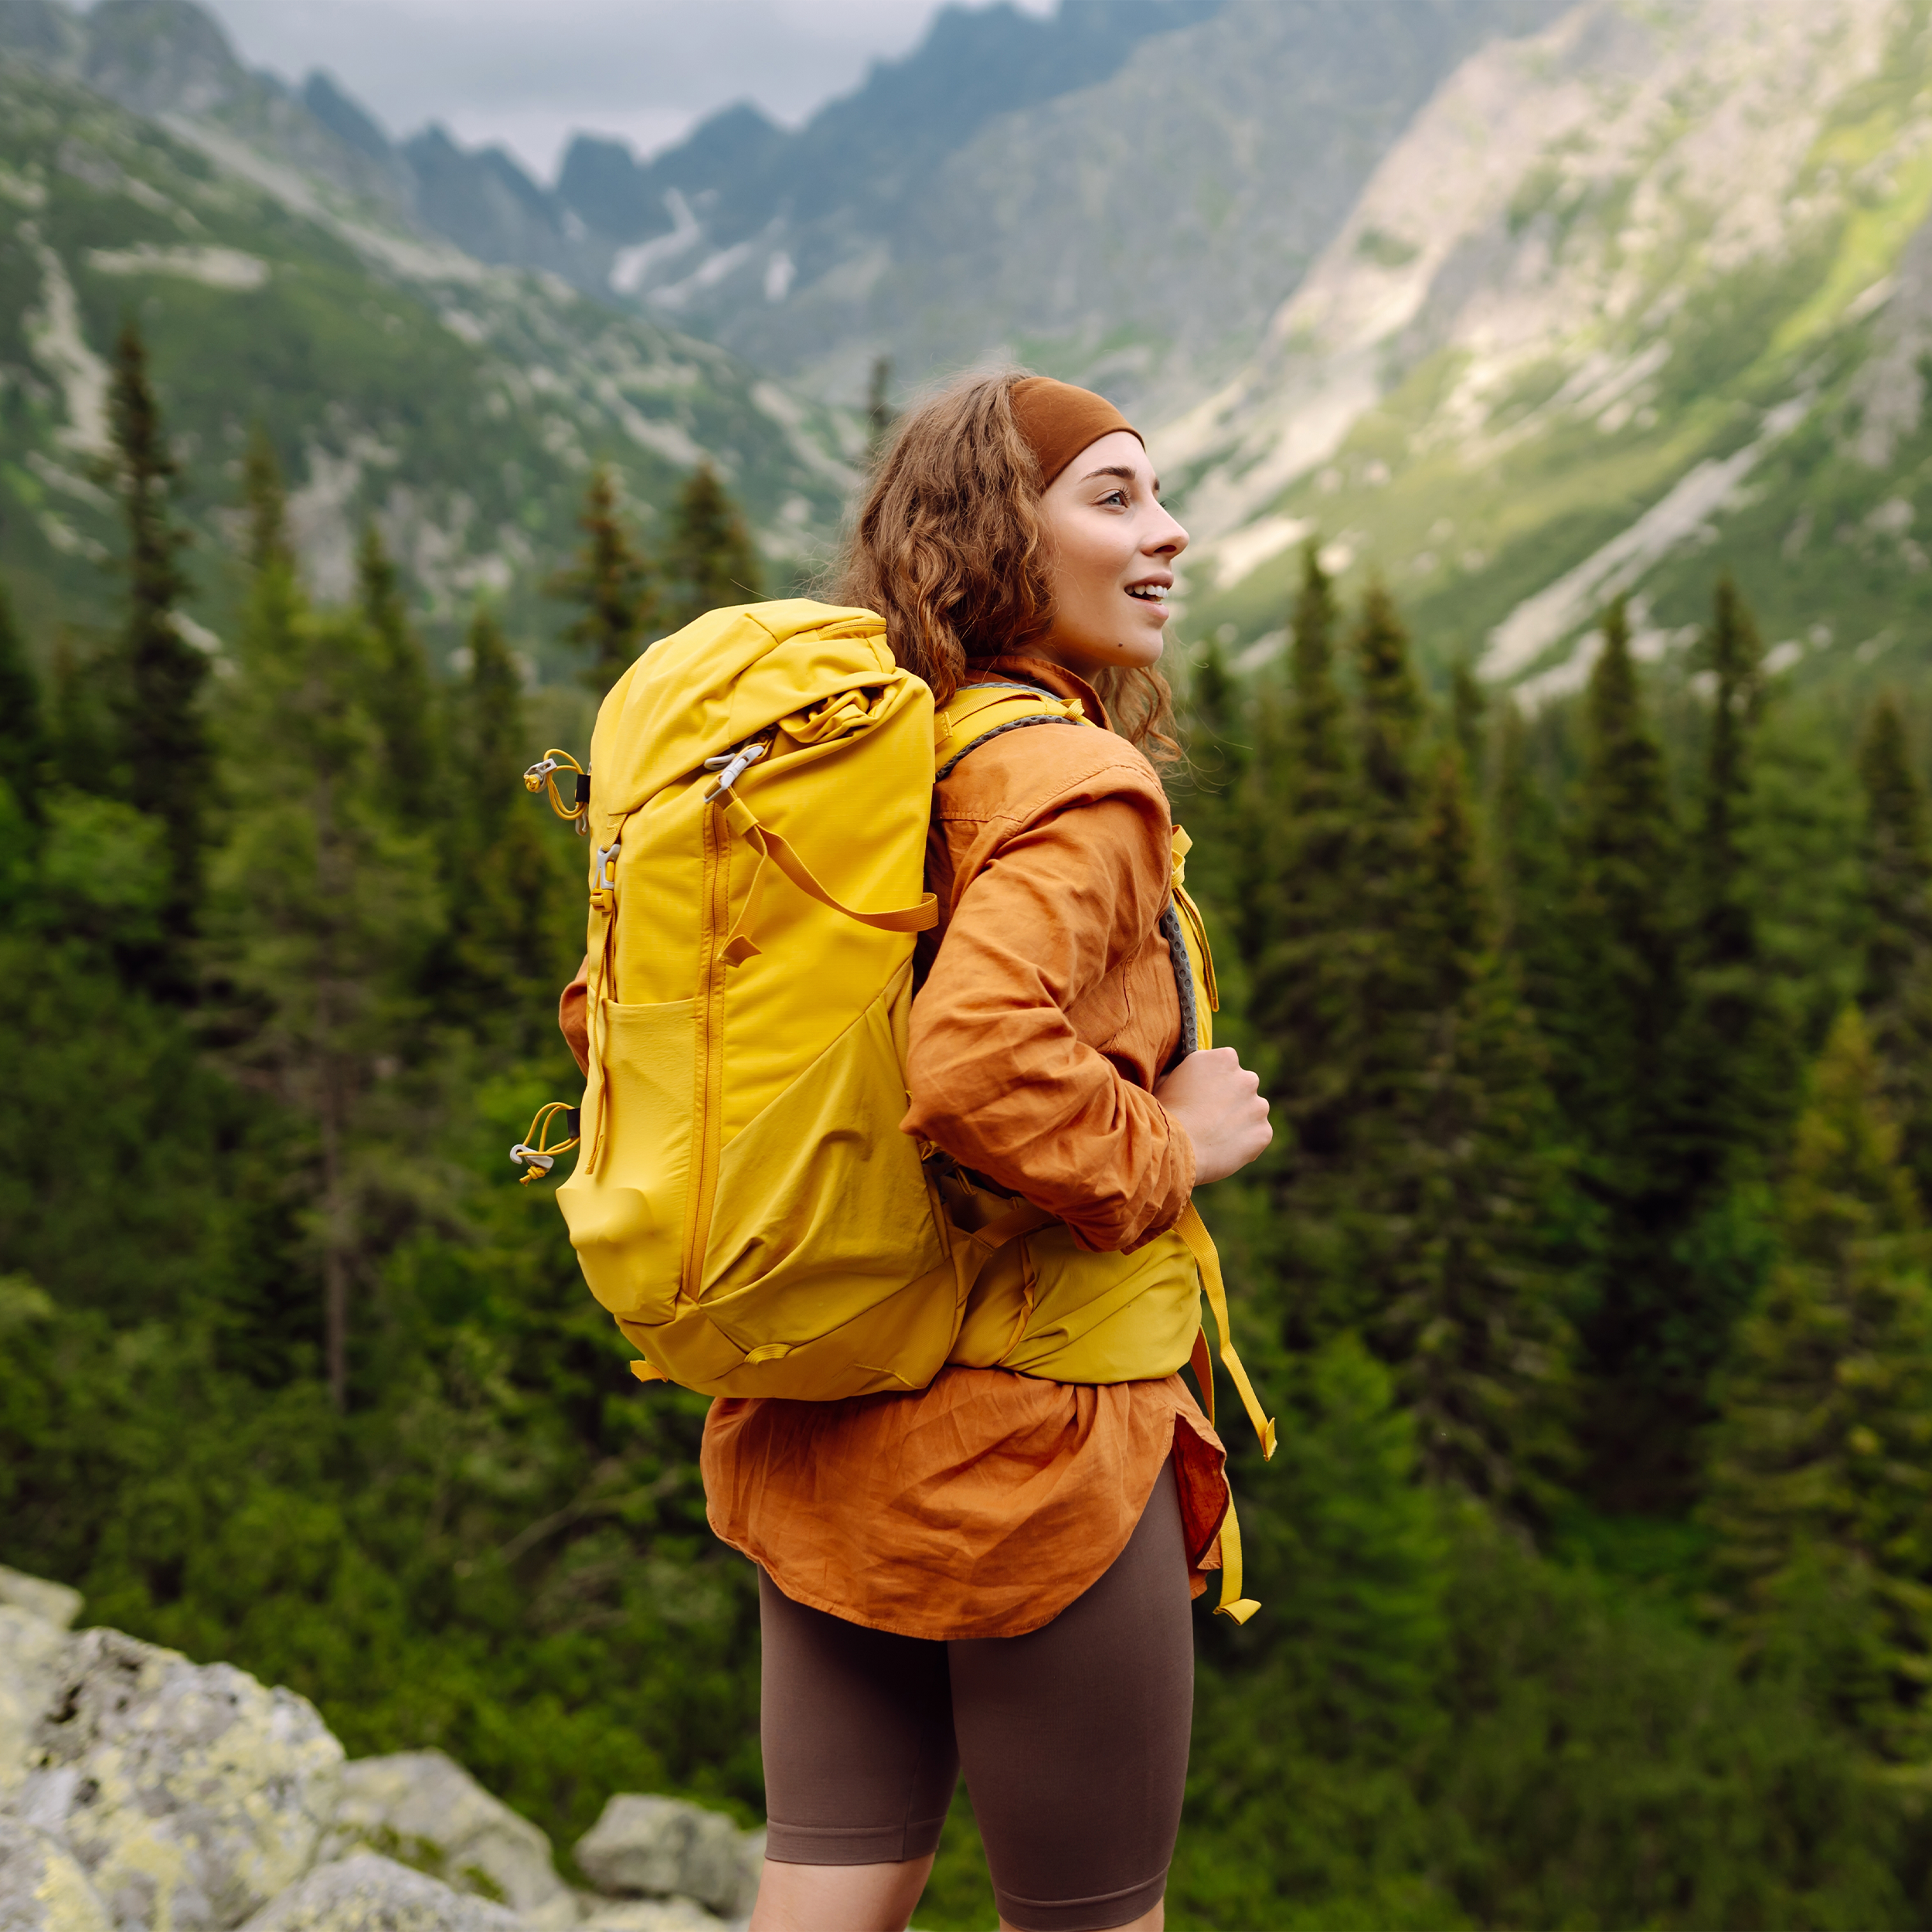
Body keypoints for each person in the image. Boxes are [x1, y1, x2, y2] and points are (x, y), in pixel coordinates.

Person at [561, 372, 1273, 1932]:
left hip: (826, 1405)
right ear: (996, 535)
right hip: (1037, 1447)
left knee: (829, 1883)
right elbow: (971, 1060)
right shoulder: (1072, 782)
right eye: (1113, 497)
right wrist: (1171, 1141)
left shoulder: (868, 761)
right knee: (1089, 1914)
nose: (1166, 534)